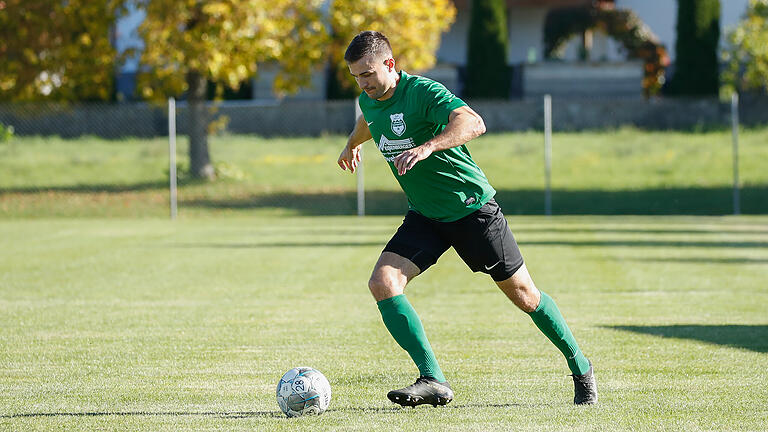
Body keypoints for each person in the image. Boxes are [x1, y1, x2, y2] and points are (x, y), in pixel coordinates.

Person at [337, 30, 597, 407]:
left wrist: (428, 146)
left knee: (525, 296)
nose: (362, 83)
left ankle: (581, 364)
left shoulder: (423, 93)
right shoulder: (370, 100)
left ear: (390, 65)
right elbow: (369, 121)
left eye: (367, 74)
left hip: (472, 210)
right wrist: (350, 144)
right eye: (355, 76)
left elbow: (474, 123)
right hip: (425, 215)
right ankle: (433, 379)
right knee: (383, 282)